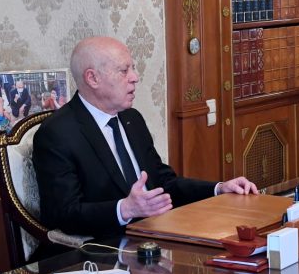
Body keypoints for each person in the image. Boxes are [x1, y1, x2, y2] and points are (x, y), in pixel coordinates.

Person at [33, 36, 258, 243]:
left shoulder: (131, 119)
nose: (135, 77)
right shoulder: (57, 133)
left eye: (132, 68)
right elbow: (62, 213)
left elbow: (164, 184)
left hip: (155, 237)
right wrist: (125, 209)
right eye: (124, 71)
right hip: (102, 250)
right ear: (92, 78)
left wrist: (218, 189)